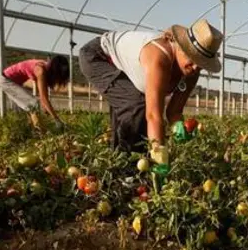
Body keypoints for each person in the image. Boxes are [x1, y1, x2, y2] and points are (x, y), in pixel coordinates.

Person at [78, 19, 223, 165]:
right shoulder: (159, 57)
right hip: (99, 57)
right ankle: (128, 169)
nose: (195, 67)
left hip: (124, 73)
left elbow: (174, 112)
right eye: (192, 58)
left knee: (132, 112)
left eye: (201, 63)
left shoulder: (192, 72)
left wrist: (178, 128)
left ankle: (121, 165)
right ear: (180, 47)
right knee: (136, 106)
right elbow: (154, 116)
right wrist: (160, 161)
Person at [0, 56, 68, 130]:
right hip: (6, 81)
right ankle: (40, 132)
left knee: (22, 113)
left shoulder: (46, 68)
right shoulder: (40, 70)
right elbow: (44, 98)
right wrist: (56, 119)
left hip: (15, 82)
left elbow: (44, 94)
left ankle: (28, 131)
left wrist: (45, 108)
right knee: (33, 103)